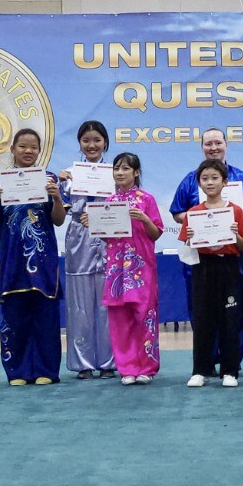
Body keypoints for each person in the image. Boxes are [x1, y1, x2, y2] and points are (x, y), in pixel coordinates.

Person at [169, 127, 243, 369]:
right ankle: (206, 361)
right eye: (208, 144)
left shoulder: (241, 178)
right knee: (202, 309)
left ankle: (232, 361)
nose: (213, 148)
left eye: (218, 143)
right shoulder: (191, 179)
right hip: (202, 256)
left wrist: (228, 218)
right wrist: (201, 219)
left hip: (233, 254)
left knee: (236, 308)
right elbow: (177, 212)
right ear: (201, 147)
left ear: (226, 145)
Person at [0, 128, 66, 386]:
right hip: (12, 261)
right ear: (12, 149)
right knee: (14, 317)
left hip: (43, 260)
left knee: (46, 318)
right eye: (23, 146)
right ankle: (16, 371)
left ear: (40, 151)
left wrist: (56, 198)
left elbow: (59, 220)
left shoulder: (50, 179)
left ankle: (46, 370)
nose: (28, 151)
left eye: (34, 147)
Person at [178, 159, 243, 387]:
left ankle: (230, 371)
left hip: (228, 267)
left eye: (214, 178)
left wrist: (235, 234)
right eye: (205, 179)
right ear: (199, 183)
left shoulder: (235, 211)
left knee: (230, 319)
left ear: (225, 182)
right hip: (203, 268)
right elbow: (186, 247)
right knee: (203, 319)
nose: (210, 183)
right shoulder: (193, 213)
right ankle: (200, 370)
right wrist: (191, 237)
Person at [57, 120, 116, 380]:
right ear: (79, 143)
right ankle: (82, 363)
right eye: (86, 140)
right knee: (79, 301)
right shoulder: (68, 176)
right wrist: (59, 183)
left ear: (105, 142)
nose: (92, 145)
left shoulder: (116, 172)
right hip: (79, 237)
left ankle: (108, 362)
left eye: (97, 140)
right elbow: (60, 210)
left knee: (108, 301)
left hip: (109, 237)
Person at [100, 152, 164, 385]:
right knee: (120, 320)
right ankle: (126, 369)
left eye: (125, 168)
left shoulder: (147, 199)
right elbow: (107, 238)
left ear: (136, 172)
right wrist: (93, 226)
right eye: (116, 168)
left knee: (144, 316)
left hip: (142, 269)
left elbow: (156, 233)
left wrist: (144, 219)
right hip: (116, 270)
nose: (120, 173)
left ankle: (146, 367)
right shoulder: (108, 202)